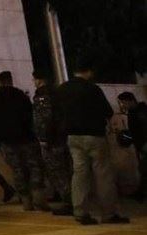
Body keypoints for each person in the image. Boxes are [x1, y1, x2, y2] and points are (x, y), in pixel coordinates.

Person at [53, 61, 128, 225]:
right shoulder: (92, 89)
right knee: (103, 174)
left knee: (79, 174)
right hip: (94, 136)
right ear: (89, 71)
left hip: (73, 137)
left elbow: (56, 113)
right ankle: (108, 213)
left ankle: (80, 211)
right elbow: (107, 111)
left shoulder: (62, 89)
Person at [0, 71, 49, 211]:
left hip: (8, 142)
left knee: (18, 170)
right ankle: (39, 198)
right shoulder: (20, 95)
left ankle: (26, 201)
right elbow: (30, 116)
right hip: (26, 138)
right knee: (34, 167)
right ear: (10, 80)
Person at [32, 70, 73, 214]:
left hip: (52, 141)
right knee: (66, 170)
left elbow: (44, 119)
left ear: (39, 80)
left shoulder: (42, 96)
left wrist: (44, 138)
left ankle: (69, 202)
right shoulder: (58, 93)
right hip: (62, 138)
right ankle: (73, 200)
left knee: (57, 172)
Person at [117, 91, 147, 201]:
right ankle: (140, 193)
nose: (122, 105)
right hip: (141, 145)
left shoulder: (140, 112)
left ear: (130, 101)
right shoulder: (135, 111)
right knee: (144, 169)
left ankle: (140, 194)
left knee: (144, 169)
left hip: (144, 145)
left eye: (123, 102)